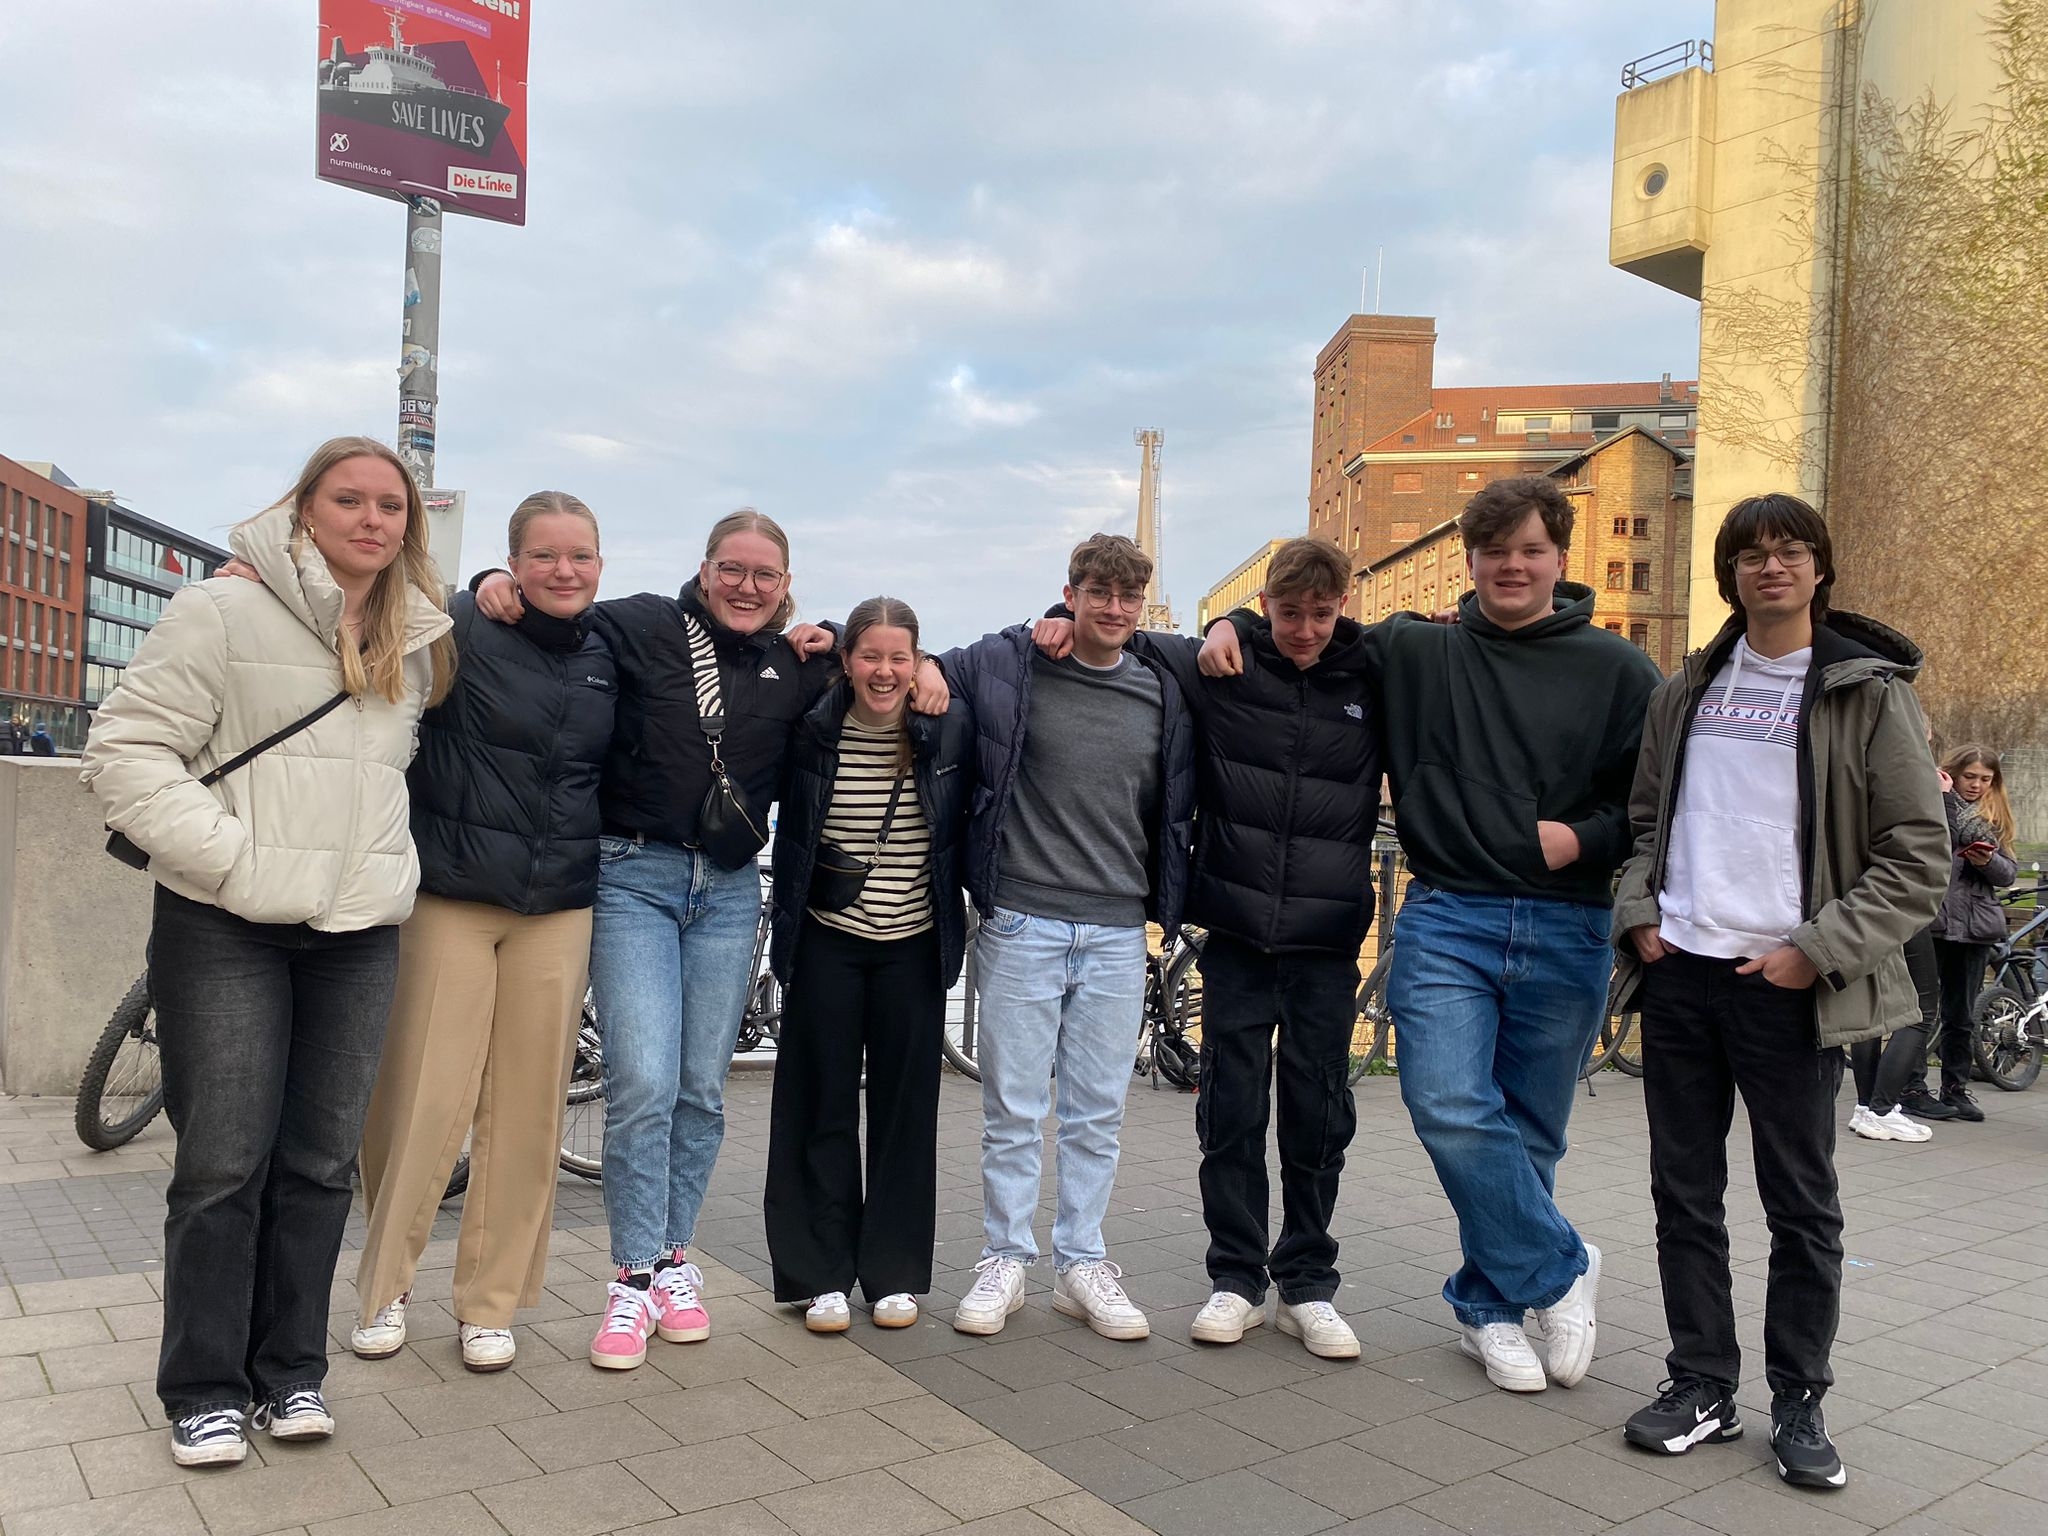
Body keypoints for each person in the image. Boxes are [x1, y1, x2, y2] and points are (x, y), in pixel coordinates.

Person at [1203, 474, 1660, 1395]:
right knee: (1449, 1102)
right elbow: (1305, 628)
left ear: (1561, 557)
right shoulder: (1417, 647)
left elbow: (1652, 804)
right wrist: (1227, 624)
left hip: (1567, 916)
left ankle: (1490, 1308)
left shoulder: (1621, 671)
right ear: (1470, 560)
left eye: (1530, 551)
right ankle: (1564, 1268)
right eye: (1495, 552)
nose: (1512, 567)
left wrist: (1583, 838)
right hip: (1450, 910)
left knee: (1531, 1131)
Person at [79, 436, 456, 1468]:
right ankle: (205, 1387)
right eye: (350, 500)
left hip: (356, 932)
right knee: (221, 1162)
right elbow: (124, 751)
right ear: (305, 509)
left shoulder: (416, 638)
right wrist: (235, 861)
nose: (372, 520)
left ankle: (291, 1373)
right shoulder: (220, 609)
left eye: (391, 506)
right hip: (225, 923)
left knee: (323, 1163)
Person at [1611, 492, 1947, 1491]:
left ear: (1818, 568)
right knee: (1683, 1195)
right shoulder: (1686, 688)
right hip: (1681, 972)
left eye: (1790, 551)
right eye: (1751, 554)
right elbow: (1645, 824)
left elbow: (1916, 855)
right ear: (1729, 574)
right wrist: (1639, 910)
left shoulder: (1866, 693)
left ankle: (1798, 1397)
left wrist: (1816, 949)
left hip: (1788, 984)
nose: (1770, 567)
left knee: (1800, 1204)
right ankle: (1701, 1384)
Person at [474, 510, 838, 1370]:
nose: (747, 586)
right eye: (732, 569)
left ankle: (675, 1260)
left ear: (786, 586)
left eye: (765, 574)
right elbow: (551, 617)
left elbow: (881, 670)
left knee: (701, 1090)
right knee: (642, 1081)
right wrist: (486, 586)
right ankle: (632, 1278)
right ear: (704, 570)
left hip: (730, 889)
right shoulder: (643, 623)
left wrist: (864, 641)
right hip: (632, 874)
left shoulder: (796, 663)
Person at [1031, 536, 1378, 1359]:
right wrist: (1055, 617)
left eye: (1321, 614)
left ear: (1344, 608)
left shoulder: (1373, 672)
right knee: (1231, 1113)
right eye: (1287, 613)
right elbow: (1118, 632)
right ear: (1264, 607)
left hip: (1327, 938)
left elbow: (1447, 649)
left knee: (1318, 1116)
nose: (1304, 629)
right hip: (1238, 931)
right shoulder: (1222, 664)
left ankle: (1307, 1285)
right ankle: (1236, 1280)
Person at [347, 492, 616, 1373]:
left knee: (529, 1112)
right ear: (515, 560)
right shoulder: (461, 625)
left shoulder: (611, 649)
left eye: (579, 556)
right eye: (543, 555)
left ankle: (490, 1304)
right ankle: (384, 1289)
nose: (563, 571)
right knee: (420, 1098)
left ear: (601, 564)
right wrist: (477, 588)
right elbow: (380, 619)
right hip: (452, 895)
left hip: (559, 906)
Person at [912, 533, 1196, 1341]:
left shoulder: (1162, 681)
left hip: (1117, 929)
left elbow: (1235, 637)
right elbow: (917, 660)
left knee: (1096, 1113)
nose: (1114, 608)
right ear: (1069, 595)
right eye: (1097, 592)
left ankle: (1082, 1262)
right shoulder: (1014, 663)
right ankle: (1005, 1257)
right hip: (1022, 920)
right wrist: (926, 666)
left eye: (1128, 595)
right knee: (1012, 1106)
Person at [764, 597, 974, 1331]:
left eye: (900, 657)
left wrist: (938, 668)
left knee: (905, 1111)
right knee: (817, 1104)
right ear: (848, 661)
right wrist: (816, 639)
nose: (885, 672)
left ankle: (893, 1274)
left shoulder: (946, 724)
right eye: (870, 656)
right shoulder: (813, 725)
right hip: (826, 937)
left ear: (918, 661)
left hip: (914, 941)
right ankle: (819, 1275)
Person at [1901, 746, 2020, 1124]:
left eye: (1986, 779)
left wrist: (1988, 861)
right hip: (1931, 921)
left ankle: (1955, 1087)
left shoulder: (1993, 819)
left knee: (1962, 1015)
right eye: (1970, 777)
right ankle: (1912, 1088)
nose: (1977, 785)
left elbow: (2008, 874)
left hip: (1974, 928)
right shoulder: (1932, 803)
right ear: (1953, 773)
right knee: (1920, 1011)